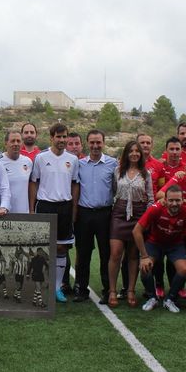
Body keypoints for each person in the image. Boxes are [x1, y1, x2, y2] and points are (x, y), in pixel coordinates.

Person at [29, 123, 80, 303]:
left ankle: (57, 288)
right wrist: (31, 208)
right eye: (58, 137)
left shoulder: (72, 159)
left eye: (64, 136)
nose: (62, 140)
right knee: (41, 250)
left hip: (64, 207)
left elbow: (75, 184)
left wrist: (74, 208)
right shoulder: (41, 158)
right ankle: (38, 287)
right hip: (45, 205)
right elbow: (33, 182)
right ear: (51, 138)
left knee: (61, 248)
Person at [135, 185, 186, 313]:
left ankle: (170, 299)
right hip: (155, 243)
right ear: (165, 200)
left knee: (184, 269)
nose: (174, 203)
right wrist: (144, 257)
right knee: (145, 267)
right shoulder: (156, 209)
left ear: (183, 199)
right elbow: (136, 231)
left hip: (175, 245)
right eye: (171, 200)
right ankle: (152, 298)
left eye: (178, 200)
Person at [107, 140, 152, 307]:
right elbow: (113, 191)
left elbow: (151, 198)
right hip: (119, 214)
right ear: (126, 153)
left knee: (133, 255)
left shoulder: (146, 174)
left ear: (141, 154)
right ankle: (112, 290)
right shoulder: (118, 171)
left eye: (137, 151)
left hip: (138, 215)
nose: (134, 153)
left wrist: (145, 218)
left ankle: (131, 290)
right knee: (116, 253)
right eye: (131, 151)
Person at [73, 129, 116, 302]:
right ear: (87, 143)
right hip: (84, 214)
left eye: (98, 142)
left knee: (106, 254)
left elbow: (116, 188)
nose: (95, 146)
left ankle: (107, 290)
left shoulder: (113, 164)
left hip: (105, 214)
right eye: (92, 142)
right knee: (83, 254)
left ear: (103, 143)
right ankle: (81, 290)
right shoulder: (80, 164)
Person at [0, 130, 30, 215]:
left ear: (22, 143)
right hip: (3, 214)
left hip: (24, 214)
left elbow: (31, 186)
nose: (16, 144)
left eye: (18, 141)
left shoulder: (28, 162)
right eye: (12, 141)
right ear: (6, 143)